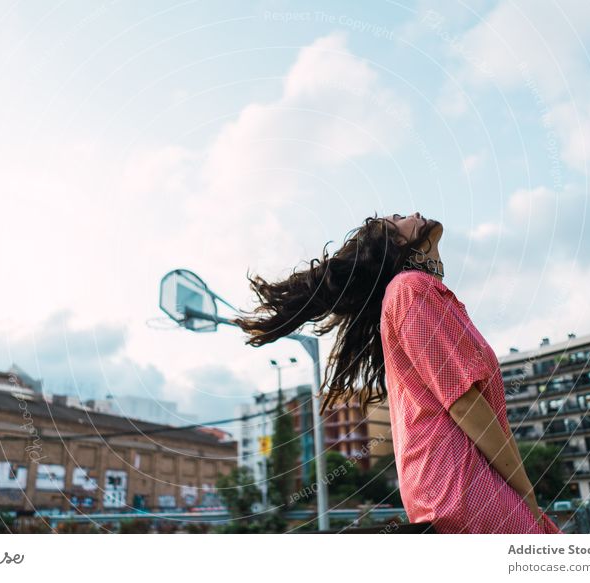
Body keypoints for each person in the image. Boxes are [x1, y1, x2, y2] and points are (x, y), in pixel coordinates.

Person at [232, 212, 562, 534]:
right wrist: (526, 492)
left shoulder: (425, 294)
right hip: (461, 482)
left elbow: (485, 413)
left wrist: (521, 490)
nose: (415, 213)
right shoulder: (411, 289)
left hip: (458, 481)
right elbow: (463, 402)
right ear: (394, 245)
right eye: (399, 218)